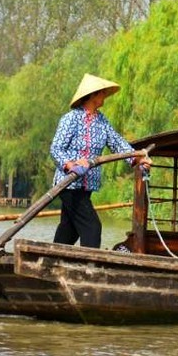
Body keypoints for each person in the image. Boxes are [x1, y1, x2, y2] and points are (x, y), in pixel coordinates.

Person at [50, 73, 149, 247]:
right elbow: (56, 149)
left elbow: (117, 143)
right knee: (92, 227)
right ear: (93, 95)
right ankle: (90, 265)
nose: (104, 97)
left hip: (86, 185)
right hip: (69, 184)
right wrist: (71, 165)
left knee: (69, 229)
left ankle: (50, 258)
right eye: (102, 93)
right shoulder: (70, 119)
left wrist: (137, 159)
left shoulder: (102, 121)